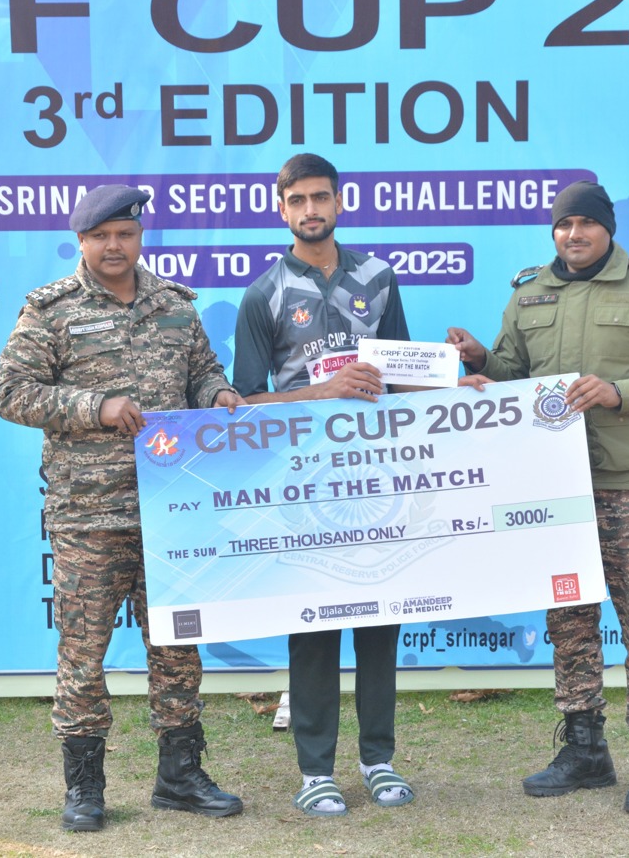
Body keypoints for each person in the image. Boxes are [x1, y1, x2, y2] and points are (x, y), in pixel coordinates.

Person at [447, 180, 629, 816]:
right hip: (552, 485)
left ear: (607, 229)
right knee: (568, 620)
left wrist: (620, 393)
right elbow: (514, 376)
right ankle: (585, 749)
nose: (574, 234)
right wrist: (480, 362)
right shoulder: (529, 293)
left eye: (586, 224)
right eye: (564, 225)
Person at [0, 184, 245, 832]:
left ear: (139, 236)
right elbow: (10, 392)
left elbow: (202, 372)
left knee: (177, 647)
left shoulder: (174, 306)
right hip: (89, 516)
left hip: (171, 509)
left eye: (124, 234)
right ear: (81, 241)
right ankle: (84, 788)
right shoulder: (51, 310)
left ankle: (180, 776)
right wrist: (93, 407)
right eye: (101, 236)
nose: (114, 246)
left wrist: (217, 394)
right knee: (83, 653)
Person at [232, 153, 415, 817]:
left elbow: (404, 378)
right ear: (280, 209)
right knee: (313, 626)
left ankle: (378, 760)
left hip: (376, 478)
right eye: (298, 200)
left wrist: (462, 384)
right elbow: (244, 403)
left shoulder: (379, 278)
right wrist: (323, 391)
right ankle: (315, 771)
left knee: (379, 620)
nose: (310, 210)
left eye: (320, 197)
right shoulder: (264, 294)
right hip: (304, 485)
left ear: (340, 201)